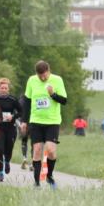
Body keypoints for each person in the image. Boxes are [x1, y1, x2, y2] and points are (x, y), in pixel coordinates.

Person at [21, 60, 67, 189]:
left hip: (52, 121)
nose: (42, 78)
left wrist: (53, 94)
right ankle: (36, 182)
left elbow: (64, 100)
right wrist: (24, 121)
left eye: (44, 75)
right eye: (39, 75)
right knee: (37, 151)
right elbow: (27, 102)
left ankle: (49, 175)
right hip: (36, 121)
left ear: (49, 71)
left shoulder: (57, 80)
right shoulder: (31, 80)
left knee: (51, 151)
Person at [0, 78, 23, 180]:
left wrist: (13, 117)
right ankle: (1, 172)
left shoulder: (13, 99)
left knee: (8, 148)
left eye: (6, 88)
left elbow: (21, 111)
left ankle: (7, 161)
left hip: (10, 128)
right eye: (2, 88)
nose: (4, 89)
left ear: (8, 89)